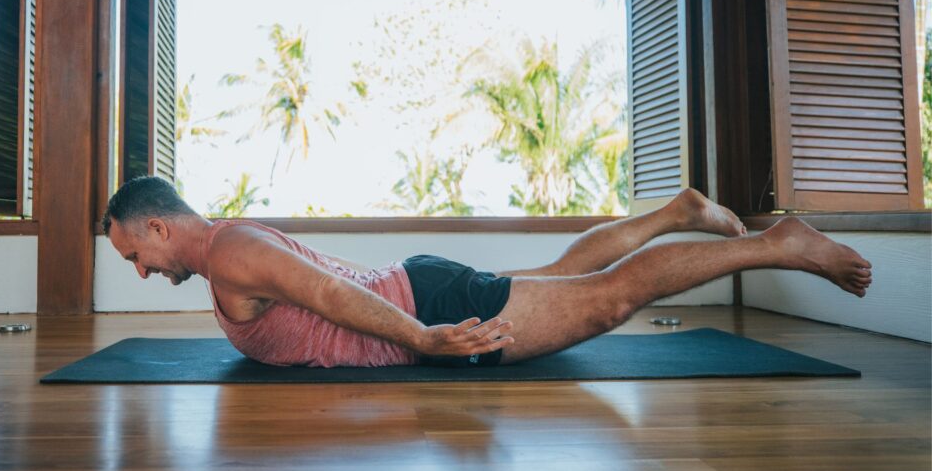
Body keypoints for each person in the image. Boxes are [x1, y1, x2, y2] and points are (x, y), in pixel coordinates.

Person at [102, 176, 873, 368]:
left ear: (160, 226)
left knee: (607, 301)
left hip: (428, 304)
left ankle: (782, 244)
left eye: (137, 256)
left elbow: (329, 295)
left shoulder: (229, 253)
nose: (141, 271)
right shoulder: (228, 248)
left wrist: (424, 339)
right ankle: (674, 210)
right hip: (422, 287)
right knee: (565, 272)